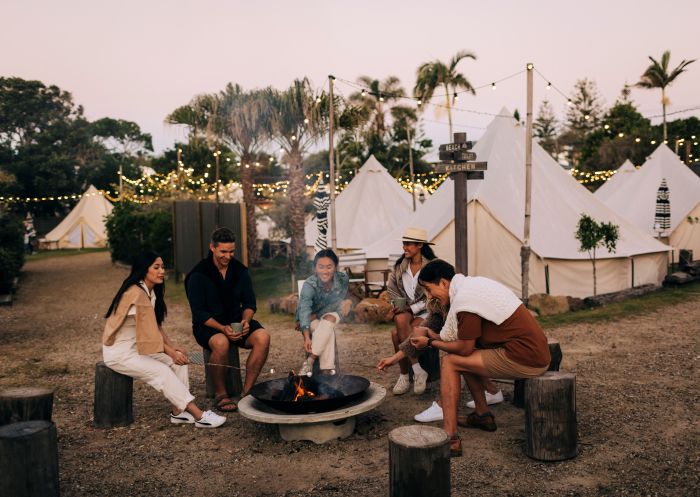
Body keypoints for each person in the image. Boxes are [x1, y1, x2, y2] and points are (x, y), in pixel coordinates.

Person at [409, 260, 551, 457]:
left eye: (430, 290)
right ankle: (483, 415)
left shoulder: (465, 301)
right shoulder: (470, 287)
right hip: (531, 352)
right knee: (459, 357)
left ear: (443, 283)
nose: (430, 296)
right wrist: (432, 335)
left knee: (450, 361)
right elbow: (466, 342)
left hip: (525, 357)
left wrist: (430, 343)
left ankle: (450, 437)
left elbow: (464, 348)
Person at [102, 251, 225, 428]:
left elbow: (156, 327)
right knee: (162, 371)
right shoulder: (135, 294)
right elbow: (150, 334)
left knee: (178, 362)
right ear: (144, 270)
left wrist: (173, 348)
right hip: (120, 353)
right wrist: (169, 351)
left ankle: (178, 412)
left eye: (162, 267)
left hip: (137, 347)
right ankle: (199, 416)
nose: (162, 271)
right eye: (156, 267)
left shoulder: (148, 291)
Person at [185, 227, 270, 412]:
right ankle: (221, 395)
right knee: (222, 343)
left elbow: (249, 303)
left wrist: (246, 320)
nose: (228, 256)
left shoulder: (240, 271)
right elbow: (199, 313)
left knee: (263, 337)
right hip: (208, 326)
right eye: (223, 251)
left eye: (231, 251)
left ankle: (246, 393)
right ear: (212, 248)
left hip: (236, 322)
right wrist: (223, 329)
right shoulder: (198, 275)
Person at [385, 227, 437, 395]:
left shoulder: (432, 266)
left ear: (420, 245)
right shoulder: (400, 267)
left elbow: (433, 295)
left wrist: (412, 308)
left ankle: (405, 375)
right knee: (400, 319)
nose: (404, 248)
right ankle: (416, 370)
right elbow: (392, 290)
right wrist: (396, 306)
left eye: (408, 244)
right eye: (404, 244)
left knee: (396, 334)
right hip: (406, 310)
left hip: (428, 310)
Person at [296, 249, 350, 375]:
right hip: (311, 317)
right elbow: (304, 309)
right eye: (321, 267)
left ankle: (310, 360)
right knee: (327, 331)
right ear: (315, 268)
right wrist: (306, 336)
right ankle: (327, 371)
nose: (325, 271)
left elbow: (341, 300)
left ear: (335, 267)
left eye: (329, 267)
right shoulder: (309, 284)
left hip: (332, 313)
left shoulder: (343, 279)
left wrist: (346, 303)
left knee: (329, 319)